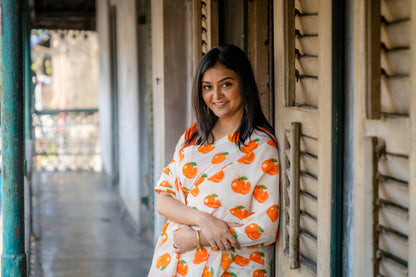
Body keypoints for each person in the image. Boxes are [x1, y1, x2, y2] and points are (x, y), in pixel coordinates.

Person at [148, 45, 279, 277]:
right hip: (176, 263)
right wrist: (202, 219)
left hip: (232, 267)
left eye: (226, 84)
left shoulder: (261, 146)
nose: (216, 96)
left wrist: (198, 238)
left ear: (244, 84)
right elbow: (164, 199)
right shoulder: (192, 137)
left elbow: (266, 227)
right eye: (207, 87)